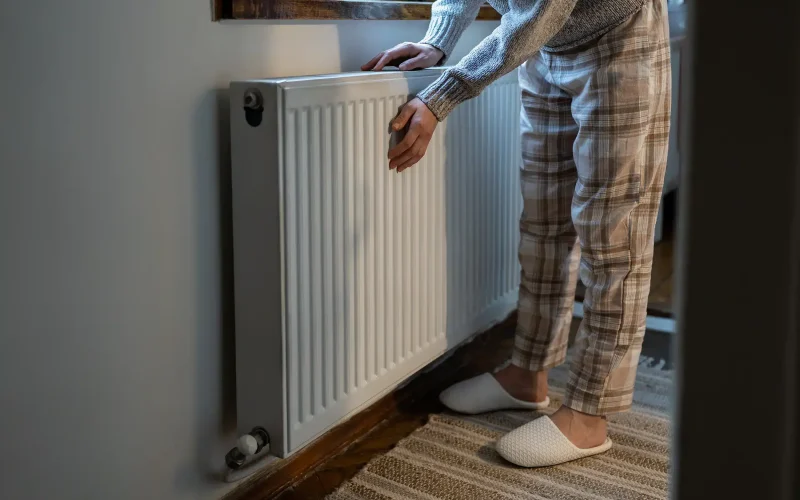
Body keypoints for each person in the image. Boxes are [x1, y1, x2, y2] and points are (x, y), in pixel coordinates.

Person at [363, 0, 671, 468]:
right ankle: (528, 375)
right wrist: (437, 38)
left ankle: (590, 415)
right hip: (544, 45)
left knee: (612, 235)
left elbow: (544, 8)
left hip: (619, 33)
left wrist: (442, 94)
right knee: (542, 222)